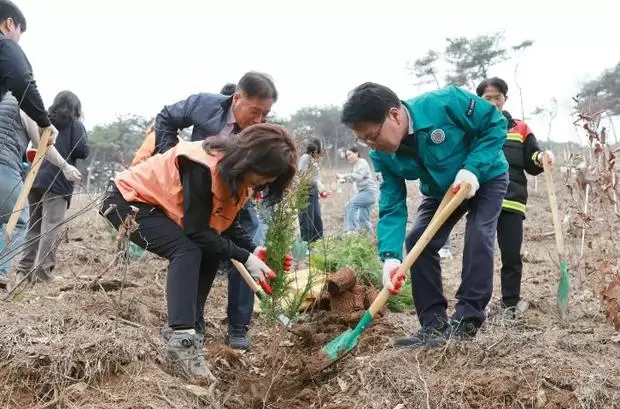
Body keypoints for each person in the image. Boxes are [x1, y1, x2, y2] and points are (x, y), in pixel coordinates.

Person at [100, 123, 297, 376]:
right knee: (187, 249)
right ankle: (182, 339)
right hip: (126, 200)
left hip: (151, 205)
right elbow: (197, 232)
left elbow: (225, 222)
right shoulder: (203, 165)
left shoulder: (239, 175)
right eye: (267, 175)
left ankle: (189, 329)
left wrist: (253, 249)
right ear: (252, 158)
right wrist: (245, 257)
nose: (266, 182)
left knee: (209, 251)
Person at [341, 82, 509, 347]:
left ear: (394, 115)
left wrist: (473, 169)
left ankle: (467, 318)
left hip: (486, 175)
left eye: (373, 136)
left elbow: (495, 124)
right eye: (364, 140)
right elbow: (392, 203)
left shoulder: (445, 102)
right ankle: (433, 324)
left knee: (478, 233)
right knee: (418, 241)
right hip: (440, 190)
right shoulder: (383, 155)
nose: (371, 145)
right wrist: (390, 257)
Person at [132, 73, 278, 349]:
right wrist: (171, 155)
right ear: (237, 98)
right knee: (202, 245)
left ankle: (238, 327)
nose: (259, 120)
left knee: (246, 252)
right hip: (199, 190)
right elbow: (165, 117)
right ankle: (191, 323)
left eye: (266, 114)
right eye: (255, 111)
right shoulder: (204, 105)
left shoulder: (259, 132)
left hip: (237, 196)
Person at [476, 77, 555, 318]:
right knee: (480, 254)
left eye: (497, 97)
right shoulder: (473, 129)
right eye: (486, 98)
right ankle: (477, 303)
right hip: (483, 202)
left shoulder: (520, 128)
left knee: (511, 255)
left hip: (512, 201)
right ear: (478, 100)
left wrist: (542, 157)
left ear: (505, 99)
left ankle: (510, 304)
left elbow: (531, 160)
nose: (492, 102)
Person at [0, 96, 82, 288]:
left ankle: (21, 268)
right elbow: (43, 142)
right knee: (20, 221)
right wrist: (65, 166)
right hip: (6, 167)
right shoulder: (22, 101)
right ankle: (2, 270)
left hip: (32, 181)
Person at [0, 0, 57, 141]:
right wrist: (44, 122)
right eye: (19, 32)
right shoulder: (4, 44)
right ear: (10, 24)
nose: (18, 40)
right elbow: (21, 81)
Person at [337, 146, 377, 232]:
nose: (348, 157)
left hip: (368, 192)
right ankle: (368, 238)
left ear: (356, 153)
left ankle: (351, 231)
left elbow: (358, 176)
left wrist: (344, 176)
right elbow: (354, 178)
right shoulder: (356, 165)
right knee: (363, 219)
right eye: (347, 156)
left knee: (349, 206)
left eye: (350, 154)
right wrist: (343, 180)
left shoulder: (362, 162)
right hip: (364, 193)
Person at [297, 138, 327, 244]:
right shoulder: (305, 157)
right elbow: (301, 175)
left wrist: (320, 186)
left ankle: (317, 242)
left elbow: (316, 177)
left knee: (316, 217)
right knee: (306, 219)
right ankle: (306, 244)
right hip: (305, 191)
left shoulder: (314, 160)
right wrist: (316, 183)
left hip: (313, 191)